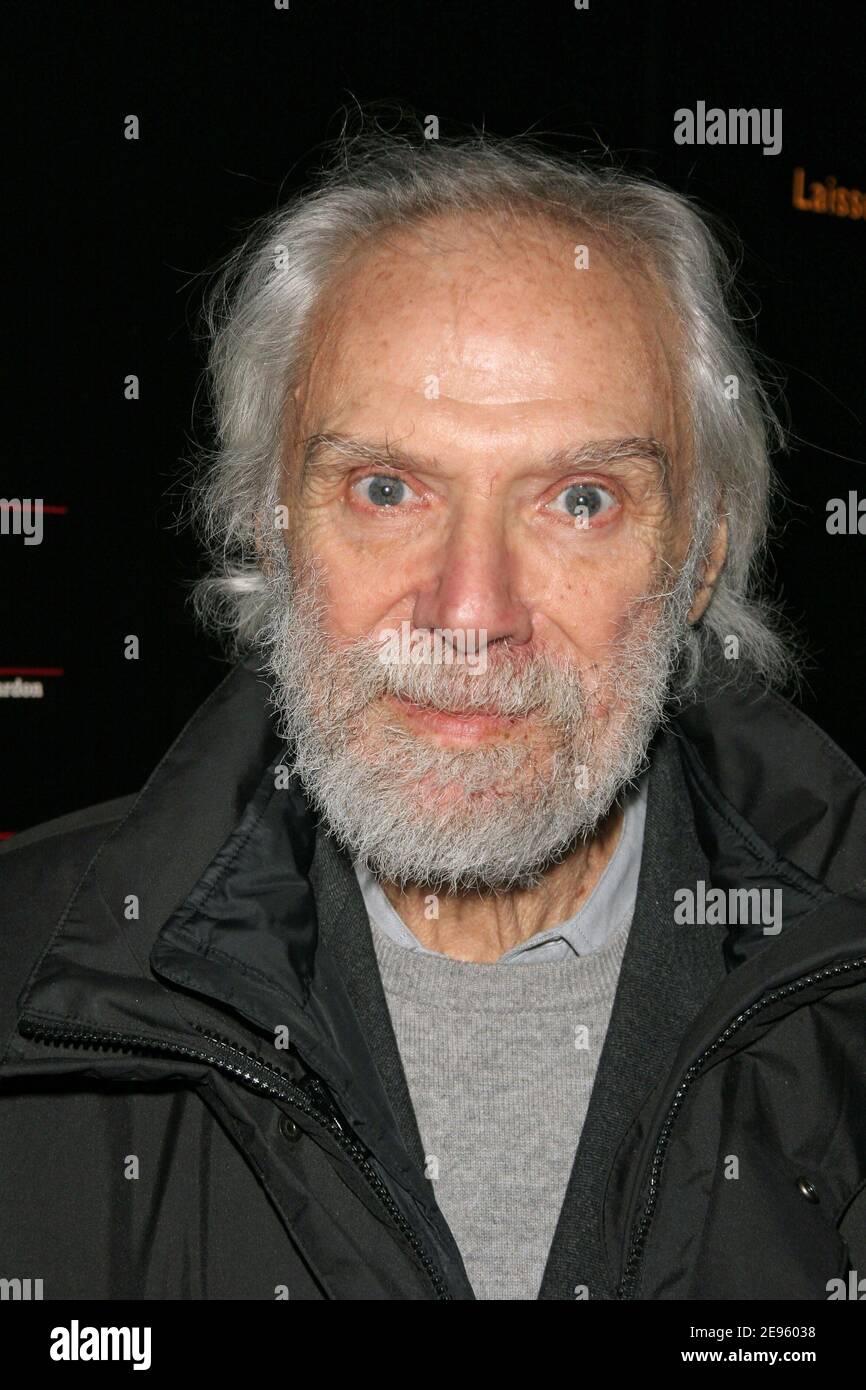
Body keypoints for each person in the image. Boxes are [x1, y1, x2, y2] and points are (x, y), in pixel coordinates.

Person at [2, 131, 864, 1301]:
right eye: (386, 488)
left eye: (577, 499)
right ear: (271, 529)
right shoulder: (30, 990)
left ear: (698, 560)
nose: (468, 612)